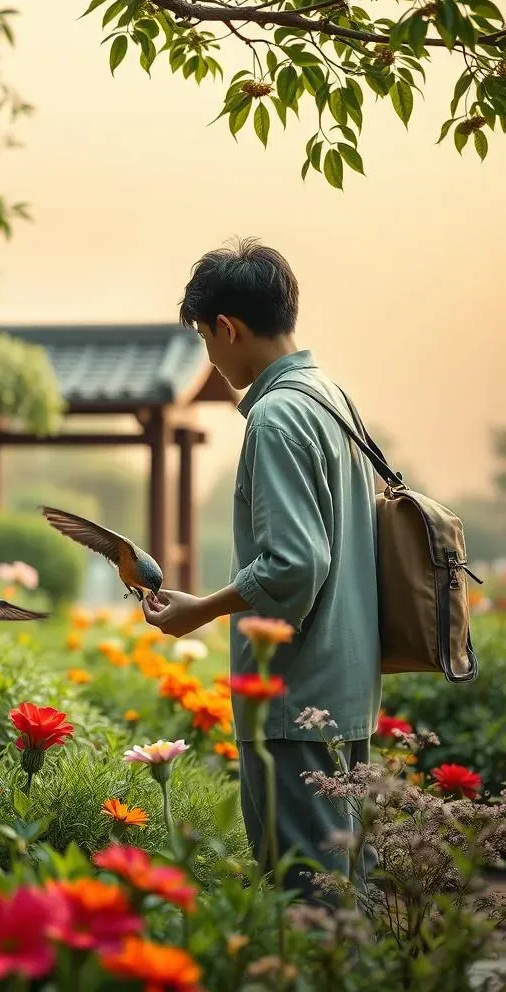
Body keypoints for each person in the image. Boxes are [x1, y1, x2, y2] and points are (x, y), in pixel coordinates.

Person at [141, 237, 381, 901]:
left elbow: (295, 565)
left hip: (295, 697)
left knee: (308, 901)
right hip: (346, 692)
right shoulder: (331, 398)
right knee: (347, 891)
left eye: (205, 339)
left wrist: (204, 609)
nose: (210, 357)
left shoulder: (277, 415)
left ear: (228, 327)